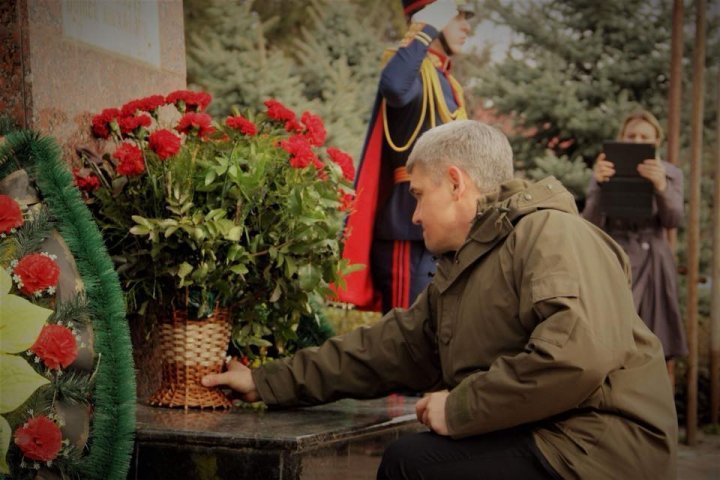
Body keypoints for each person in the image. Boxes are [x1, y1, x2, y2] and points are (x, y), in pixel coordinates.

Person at [204, 120, 678, 479]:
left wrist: (460, 408)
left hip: (601, 443)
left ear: (456, 183)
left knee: (413, 463)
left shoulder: (552, 233)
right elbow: (387, 349)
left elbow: (575, 356)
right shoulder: (468, 263)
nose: (412, 215)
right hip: (553, 430)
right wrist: (266, 381)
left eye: (418, 194)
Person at [336, 0, 473, 313]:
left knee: (431, 335)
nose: (467, 27)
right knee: (402, 336)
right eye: (459, 16)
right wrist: (425, 28)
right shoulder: (412, 71)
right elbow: (395, 87)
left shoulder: (445, 81)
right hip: (408, 226)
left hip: (445, 225)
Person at [582, 108, 687, 380]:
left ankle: (661, 415)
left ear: (656, 142)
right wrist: (601, 186)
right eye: (632, 136)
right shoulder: (605, 170)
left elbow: (673, 219)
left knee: (658, 341)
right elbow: (588, 223)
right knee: (614, 343)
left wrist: (661, 186)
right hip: (616, 261)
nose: (637, 142)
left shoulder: (671, 173)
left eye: (645, 137)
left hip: (654, 263)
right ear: (622, 138)